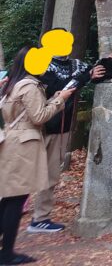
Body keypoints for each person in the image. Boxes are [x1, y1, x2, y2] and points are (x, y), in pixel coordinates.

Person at [0, 47, 77, 265]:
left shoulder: (11, 84)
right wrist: (59, 99)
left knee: (8, 198)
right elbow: (39, 116)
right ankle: (6, 254)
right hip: (24, 145)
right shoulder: (30, 86)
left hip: (11, 141)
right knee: (16, 200)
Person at [28, 54, 112, 233]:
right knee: (23, 172)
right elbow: (61, 88)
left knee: (50, 173)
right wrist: (86, 76)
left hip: (60, 127)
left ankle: (40, 218)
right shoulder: (41, 63)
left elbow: (96, 75)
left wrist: (106, 61)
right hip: (37, 127)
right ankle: (11, 211)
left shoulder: (77, 65)